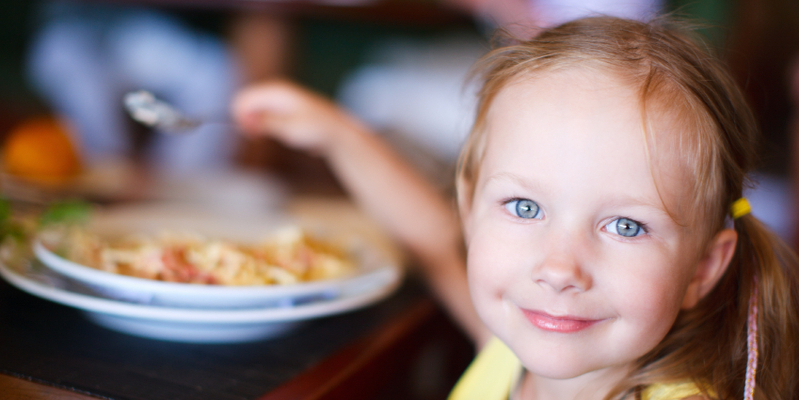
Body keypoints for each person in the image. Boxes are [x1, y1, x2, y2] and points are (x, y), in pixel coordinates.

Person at [232, 16, 799, 400]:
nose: (558, 268)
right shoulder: (507, 351)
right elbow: (432, 237)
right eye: (525, 207)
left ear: (703, 268)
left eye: (626, 225)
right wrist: (337, 135)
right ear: (471, 207)